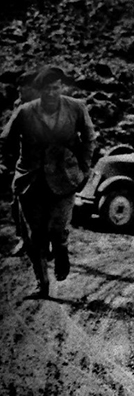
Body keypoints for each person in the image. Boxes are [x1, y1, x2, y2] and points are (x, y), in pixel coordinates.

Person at [0, 66, 96, 299]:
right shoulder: (25, 111)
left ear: (61, 88)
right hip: (31, 180)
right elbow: (6, 139)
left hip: (64, 177)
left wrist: (83, 169)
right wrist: (11, 163)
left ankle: (61, 249)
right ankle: (41, 283)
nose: (52, 93)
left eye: (56, 88)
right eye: (47, 89)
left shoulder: (76, 108)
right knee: (34, 236)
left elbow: (89, 138)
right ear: (39, 90)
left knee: (58, 226)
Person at [8, 71, 39, 257]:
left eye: (24, 86)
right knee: (17, 201)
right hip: (23, 160)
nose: (19, 90)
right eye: (18, 86)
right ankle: (23, 239)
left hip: (42, 161)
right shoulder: (18, 105)